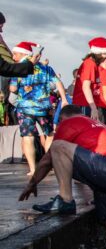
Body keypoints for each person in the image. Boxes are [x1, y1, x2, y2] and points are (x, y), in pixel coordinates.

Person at [19, 105, 106, 246]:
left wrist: (32, 184)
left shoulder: (68, 122)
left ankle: (65, 200)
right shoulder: (98, 125)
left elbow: (48, 159)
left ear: (62, 119)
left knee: (58, 146)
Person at [8, 42, 69, 175]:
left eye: (15, 54)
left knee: (28, 137)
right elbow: (58, 83)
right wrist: (64, 99)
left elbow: (12, 88)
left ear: (24, 54)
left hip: (24, 108)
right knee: (49, 134)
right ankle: (48, 165)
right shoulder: (46, 68)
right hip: (43, 107)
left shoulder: (18, 68)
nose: (13, 57)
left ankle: (33, 169)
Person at [73, 37, 106, 121]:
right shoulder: (90, 64)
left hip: (86, 104)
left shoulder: (92, 64)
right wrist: (93, 107)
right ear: (99, 52)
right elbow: (86, 87)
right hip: (84, 103)